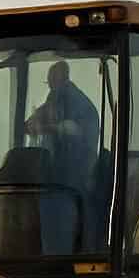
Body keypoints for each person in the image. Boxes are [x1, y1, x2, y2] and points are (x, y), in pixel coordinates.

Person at [24, 60, 100, 192]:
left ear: (62, 78)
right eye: (48, 83)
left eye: (52, 82)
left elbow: (73, 131)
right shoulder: (54, 99)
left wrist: (45, 128)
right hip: (56, 176)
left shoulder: (78, 103)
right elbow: (37, 118)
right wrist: (30, 123)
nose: (50, 87)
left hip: (75, 177)